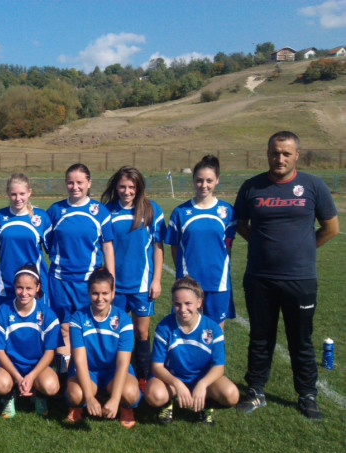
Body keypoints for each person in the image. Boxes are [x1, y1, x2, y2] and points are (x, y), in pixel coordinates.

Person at [234, 131, 339, 420]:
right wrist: (262, 245)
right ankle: (256, 391)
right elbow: (240, 225)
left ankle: (307, 395)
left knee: (301, 340)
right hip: (260, 278)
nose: (279, 158)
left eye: (286, 153)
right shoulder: (251, 187)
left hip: (300, 280)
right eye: (274, 152)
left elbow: (331, 228)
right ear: (267, 153)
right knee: (260, 338)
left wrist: (303, 250)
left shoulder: (313, 186)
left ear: (297, 155)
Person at [101, 166, 166, 389]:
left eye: (131, 187)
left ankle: (143, 377)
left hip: (142, 285)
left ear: (139, 187)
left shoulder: (151, 210)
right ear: (116, 187)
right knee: (115, 331)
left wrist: (156, 280)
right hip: (115, 286)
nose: (127, 191)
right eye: (122, 186)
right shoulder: (107, 211)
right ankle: (114, 376)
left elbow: (158, 247)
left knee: (141, 332)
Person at [47, 164, 115, 372]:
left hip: (89, 283)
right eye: (70, 182)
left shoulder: (100, 211)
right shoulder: (55, 211)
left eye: (80, 182)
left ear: (89, 183)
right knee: (64, 329)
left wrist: (111, 281)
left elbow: (107, 246)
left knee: (88, 327)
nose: (75, 187)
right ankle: (64, 376)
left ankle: (86, 372)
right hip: (60, 281)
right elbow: (47, 243)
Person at [145, 277, 239, 426]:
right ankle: (166, 405)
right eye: (177, 304)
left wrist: (202, 384)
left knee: (231, 395)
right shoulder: (164, 327)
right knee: (154, 395)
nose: (183, 309)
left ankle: (206, 404)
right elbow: (157, 367)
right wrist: (177, 384)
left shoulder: (213, 329)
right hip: (172, 379)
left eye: (188, 303)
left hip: (202, 378)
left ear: (199, 303)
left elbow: (219, 367)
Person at [166, 155, 236, 330]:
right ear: (193, 180)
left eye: (209, 180)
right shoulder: (180, 212)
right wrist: (183, 274)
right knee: (185, 330)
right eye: (199, 180)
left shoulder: (227, 211)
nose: (204, 185)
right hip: (188, 283)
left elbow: (228, 246)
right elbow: (174, 248)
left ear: (217, 180)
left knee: (215, 332)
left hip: (218, 282)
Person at [66, 269, 140, 428]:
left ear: (113, 293)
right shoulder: (78, 319)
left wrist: (116, 398)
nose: (100, 298)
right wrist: (88, 397)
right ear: (88, 293)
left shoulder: (124, 320)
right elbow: (80, 361)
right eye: (95, 293)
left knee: (131, 393)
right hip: (89, 371)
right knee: (75, 394)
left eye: (105, 293)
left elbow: (123, 363)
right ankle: (80, 405)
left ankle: (124, 407)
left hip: (114, 371)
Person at [0, 264, 61, 418]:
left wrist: (32, 376)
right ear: (14, 287)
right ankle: (9, 396)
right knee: (0, 384)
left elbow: (49, 353)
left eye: (29, 288)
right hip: (9, 366)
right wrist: (18, 377)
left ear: (37, 288)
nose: (24, 293)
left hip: (36, 366)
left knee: (51, 386)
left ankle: (39, 395)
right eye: (19, 287)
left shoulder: (47, 314)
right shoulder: (2, 312)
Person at [0, 173, 52, 307]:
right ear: (8, 193)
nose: (18, 198)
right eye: (14, 194)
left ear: (29, 192)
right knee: (6, 317)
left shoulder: (41, 217)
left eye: (22, 194)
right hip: (6, 281)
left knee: (38, 318)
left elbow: (51, 247)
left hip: (35, 281)